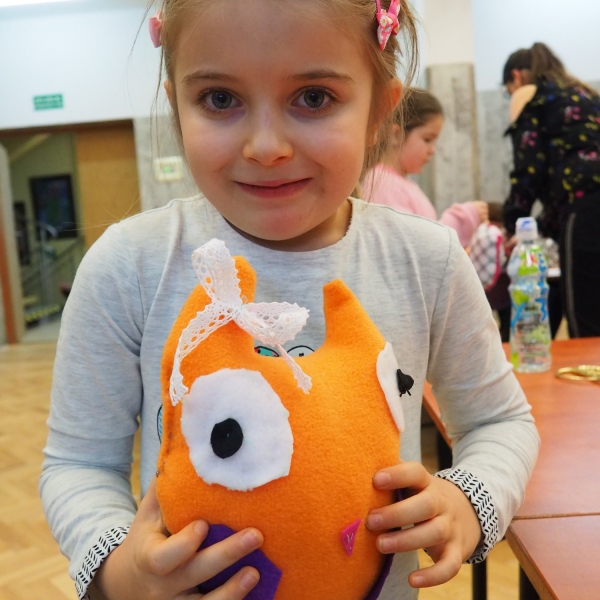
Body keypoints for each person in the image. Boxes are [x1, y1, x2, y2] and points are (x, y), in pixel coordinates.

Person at [39, 1, 539, 599]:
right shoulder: (129, 267)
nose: (266, 146)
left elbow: (500, 421)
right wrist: (117, 571)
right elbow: (79, 463)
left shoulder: (427, 260)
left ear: (379, 112)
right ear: (177, 108)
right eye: (220, 99)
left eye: (314, 98)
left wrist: (469, 498)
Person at [502, 42, 600, 337]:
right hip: (585, 203)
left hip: (586, 210)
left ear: (517, 76)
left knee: (585, 318)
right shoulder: (584, 93)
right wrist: (540, 226)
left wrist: (512, 224)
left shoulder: (527, 94)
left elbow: (528, 172)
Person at [363, 88, 489, 248]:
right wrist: (461, 219)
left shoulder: (400, 183)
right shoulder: (382, 185)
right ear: (396, 134)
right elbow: (413, 246)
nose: (433, 150)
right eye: (427, 139)